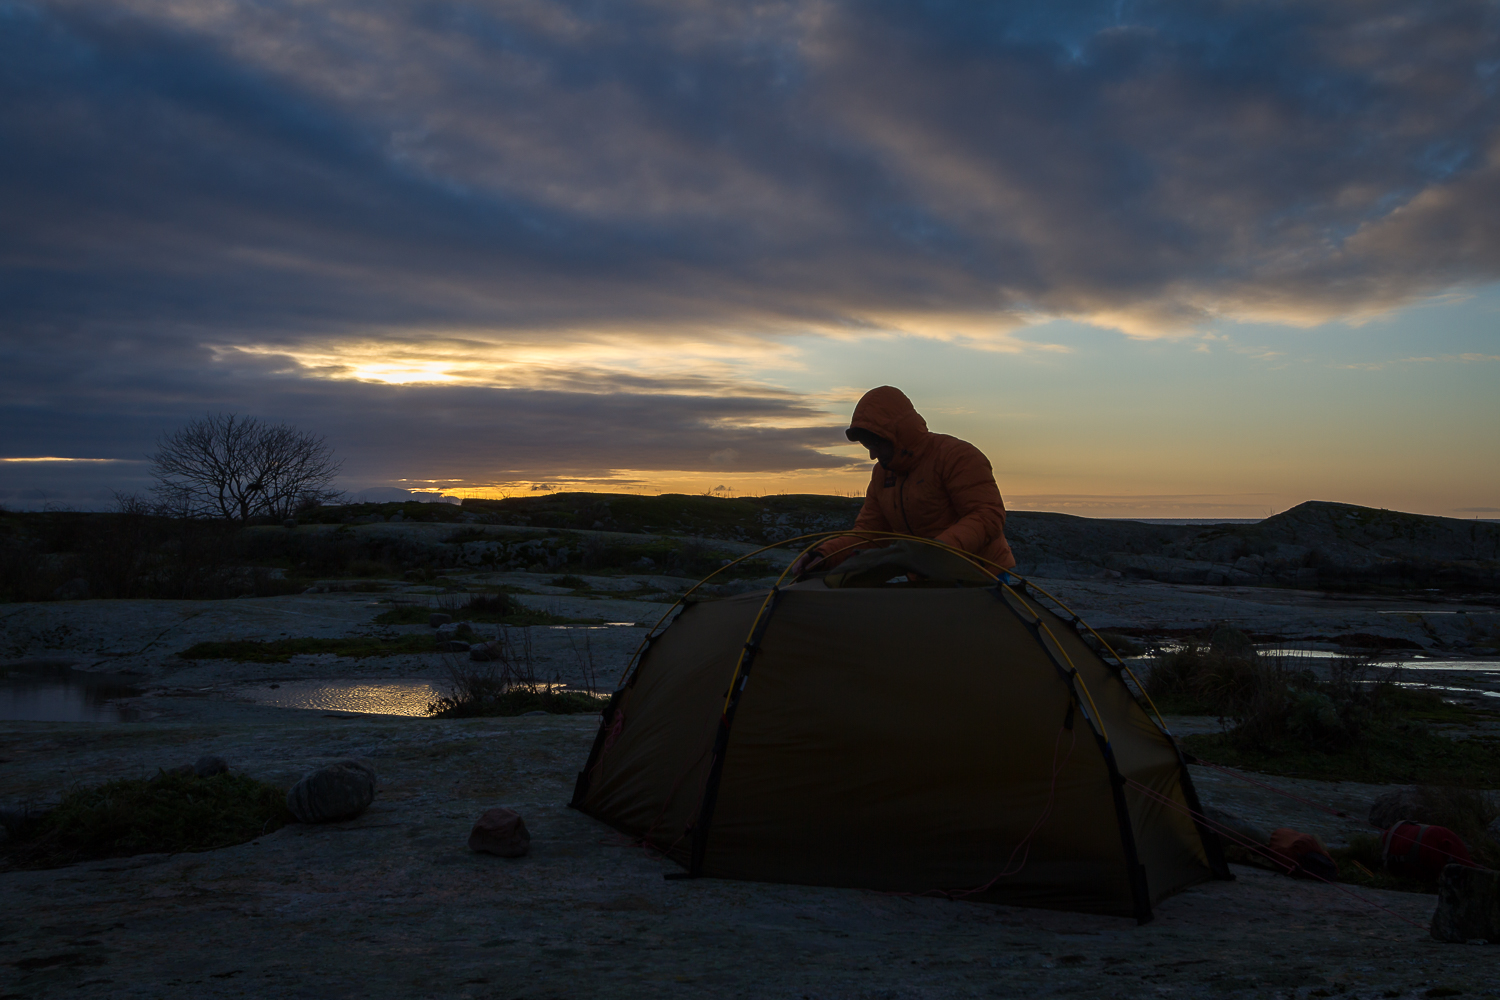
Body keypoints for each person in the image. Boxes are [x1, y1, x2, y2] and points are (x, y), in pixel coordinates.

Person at [791, 386, 1015, 577]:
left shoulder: (957, 456)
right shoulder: (882, 474)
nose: (872, 455)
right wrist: (824, 555)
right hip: (926, 577)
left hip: (980, 574)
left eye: (876, 444)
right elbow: (871, 532)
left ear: (897, 434)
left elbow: (988, 515)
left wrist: (938, 551)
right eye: (867, 446)